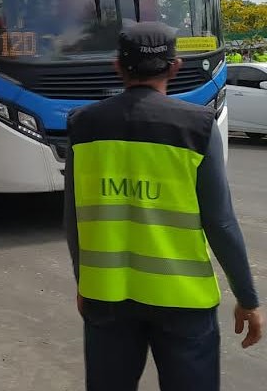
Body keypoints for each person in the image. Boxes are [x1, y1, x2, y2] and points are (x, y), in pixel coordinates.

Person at [64, 22, 262, 391]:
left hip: (106, 295)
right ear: (174, 66)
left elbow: (73, 218)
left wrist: (84, 282)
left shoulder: (84, 124)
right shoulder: (197, 127)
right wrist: (247, 299)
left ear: (117, 67)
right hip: (182, 300)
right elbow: (221, 223)